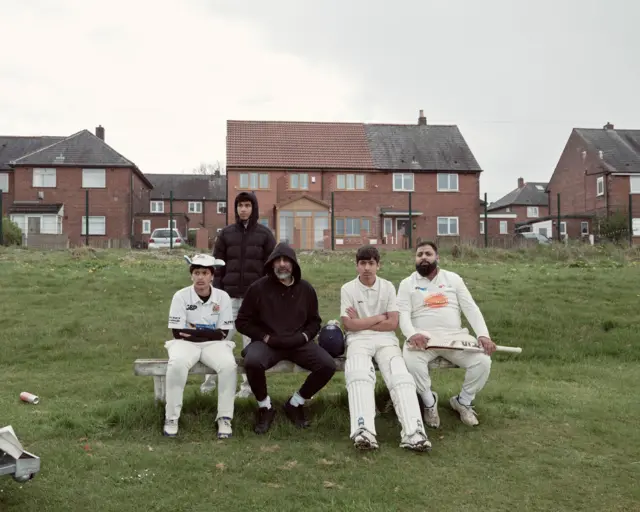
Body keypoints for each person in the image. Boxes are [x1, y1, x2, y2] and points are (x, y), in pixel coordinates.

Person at [235, 242, 337, 434]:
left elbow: (315, 322)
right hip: (268, 343)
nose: (282, 264)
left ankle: (295, 403)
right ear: (271, 263)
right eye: (278, 260)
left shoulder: (306, 289)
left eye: (286, 260)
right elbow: (242, 321)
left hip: (298, 343)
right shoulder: (258, 288)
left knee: (327, 365)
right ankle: (265, 407)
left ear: (294, 265)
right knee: (253, 361)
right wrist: (264, 337)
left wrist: (304, 336)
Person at [340, 245, 431, 452]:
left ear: (378, 265)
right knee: (358, 374)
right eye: (362, 263)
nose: (367, 268)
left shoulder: (388, 287)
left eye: (371, 263)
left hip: (386, 340)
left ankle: (414, 433)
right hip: (357, 340)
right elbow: (349, 325)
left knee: (401, 377)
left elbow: (393, 324)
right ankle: (364, 431)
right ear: (356, 266)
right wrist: (379, 317)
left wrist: (362, 321)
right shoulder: (347, 289)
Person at [398, 241, 497, 429]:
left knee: (482, 361)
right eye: (419, 255)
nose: (423, 257)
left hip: (454, 338)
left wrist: (483, 335)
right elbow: (402, 314)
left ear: (437, 257)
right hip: (423, 340)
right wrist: (412, 334)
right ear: (415, 259)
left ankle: (463, 401)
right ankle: (429, 402)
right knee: (411, 362)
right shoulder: (407, 284)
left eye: (428, 253)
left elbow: (470, 308)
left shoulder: (453, 279)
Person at [201, 191, 276, 397]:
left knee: (251, 346)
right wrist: (215, 293)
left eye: (247, 205)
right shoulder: (226, 234)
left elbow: (272, 268)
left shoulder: (265, 235)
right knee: (219, 340)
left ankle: (247, 388)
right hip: (229, 299)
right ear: (235, 209)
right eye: (240, 205)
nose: (243, 209)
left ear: (254, 209)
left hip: (254, 302)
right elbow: (217, 267)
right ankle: (208, 385)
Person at [164, 254, 237, 438]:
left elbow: (223, 333)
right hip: (184, 344)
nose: (200, 277)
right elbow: (177, 332)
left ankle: (225, 418)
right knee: (177, 364)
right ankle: (171, 418)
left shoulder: (223, 297)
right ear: (191, 276)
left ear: (212, 276)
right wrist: (207, 332)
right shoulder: (180, 296)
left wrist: (193, 330)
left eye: (205, 273)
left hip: (215, 345)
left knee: (229, 365)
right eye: (196, 273)